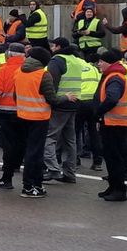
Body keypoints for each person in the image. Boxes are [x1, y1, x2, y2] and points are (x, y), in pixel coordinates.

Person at [14, 46, 69, 198]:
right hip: (39, 118)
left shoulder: (19, 71)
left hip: (22, 115)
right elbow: (52, 99)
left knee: (29, 152)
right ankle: (30, 186)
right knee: (35, 154)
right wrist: (66, 97)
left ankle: (35, 184)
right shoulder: (43, 75)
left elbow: (15, 95)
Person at [43, 38, 85, 184]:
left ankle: (53, 169)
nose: (51, 48)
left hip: (61, 103)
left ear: (58, 47)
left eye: (53, 45)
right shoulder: (78, 60)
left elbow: (51, 83)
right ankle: (70, 173)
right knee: (70, 140)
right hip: (76, 102)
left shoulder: (57, 61)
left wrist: (53, 100)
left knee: (49, 137)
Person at [0, 43, 26, 189]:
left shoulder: (4, 71)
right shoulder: (29, 70)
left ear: (9, 54)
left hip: (5, 112)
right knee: (22, 143)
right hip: (25, 112)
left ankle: (7, 178)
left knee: (8, 145)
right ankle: (23, 174)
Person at [94, 48, 127, 202]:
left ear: (108, 62)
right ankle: (113, 186)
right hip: (113, 122)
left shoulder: (114, 77)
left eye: (101, 61)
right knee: (111, 157)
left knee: (114, 157)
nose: (99, 64)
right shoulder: (113, 75)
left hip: (114, 123)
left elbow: (111, 99)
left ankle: (119, 189)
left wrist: (98, 113)